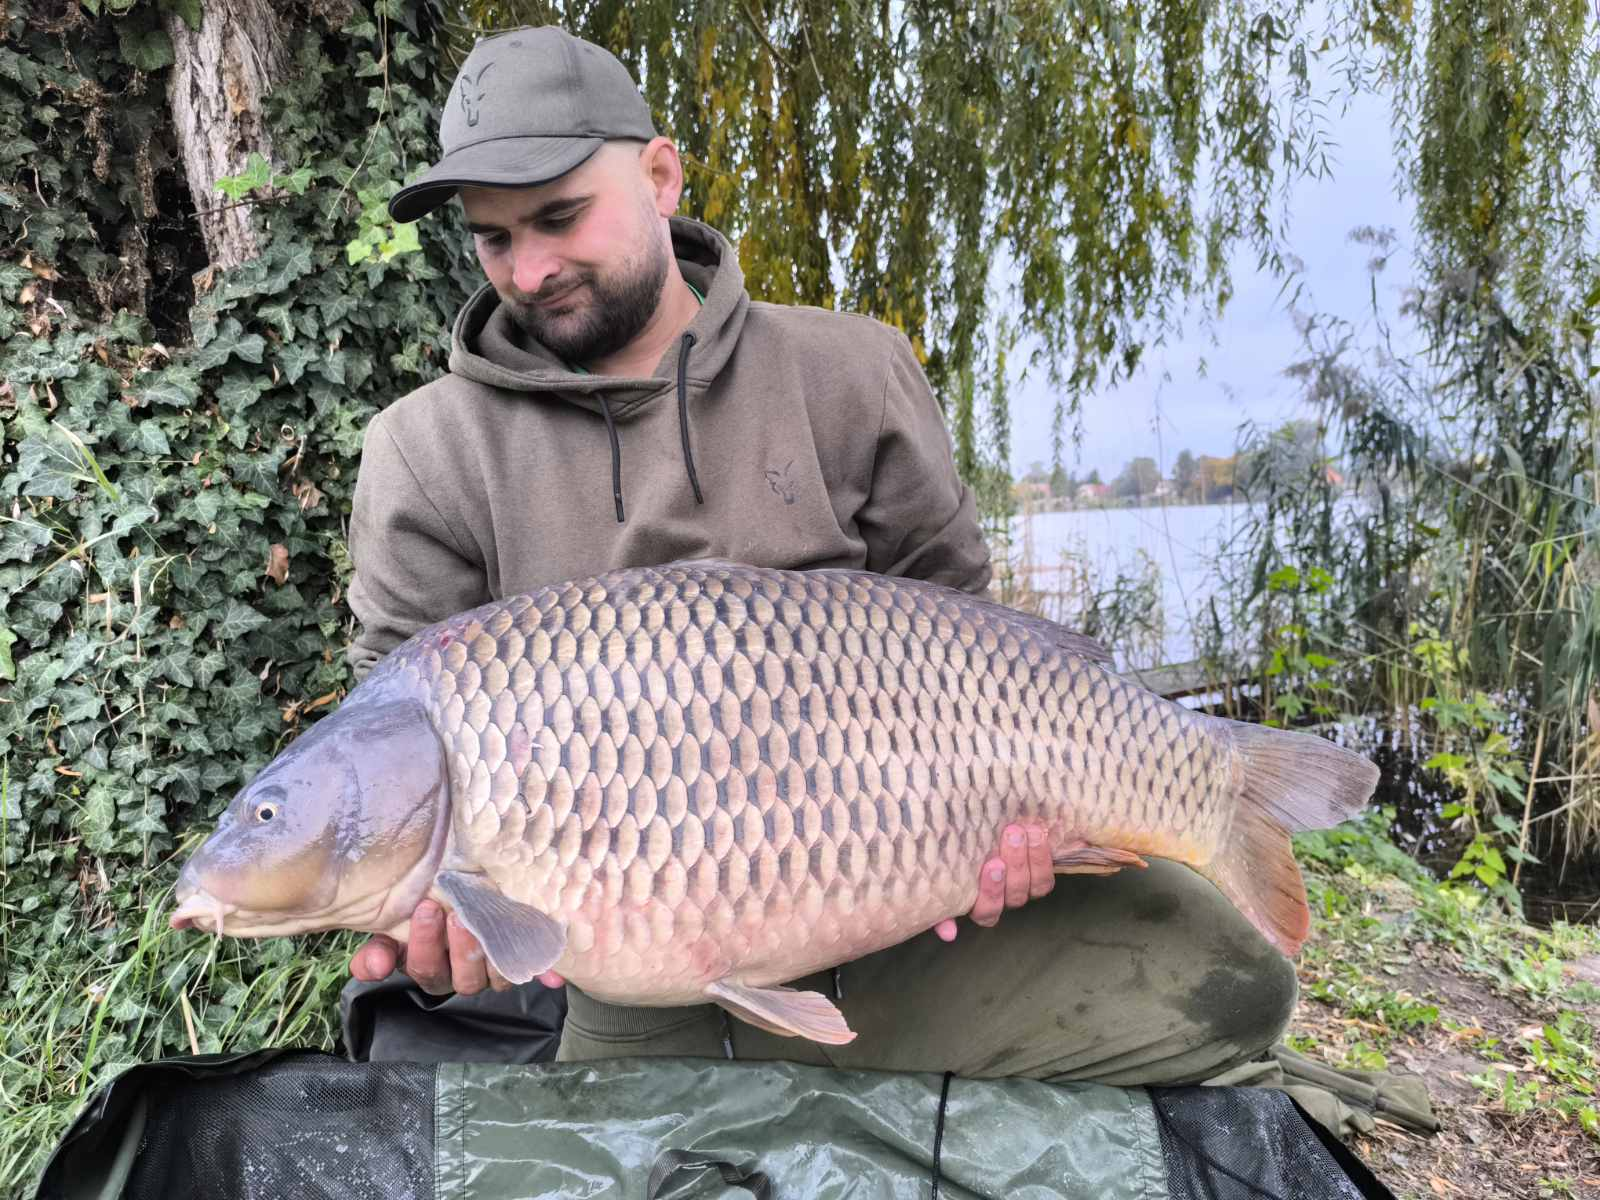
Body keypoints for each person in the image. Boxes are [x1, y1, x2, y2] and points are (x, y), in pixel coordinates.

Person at [339, 25, 1296, 1082]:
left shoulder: (851, 371)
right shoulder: (426, 453)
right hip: (645, 953)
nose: (530, 269)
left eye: (561, 217)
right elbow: (394, 742)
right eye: (493, 238)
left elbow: (974, 643)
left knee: (1235, 980)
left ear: (660, 177)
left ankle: (1196, 805)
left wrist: (1010, 835)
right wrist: (442, 936)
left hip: (900, 894)